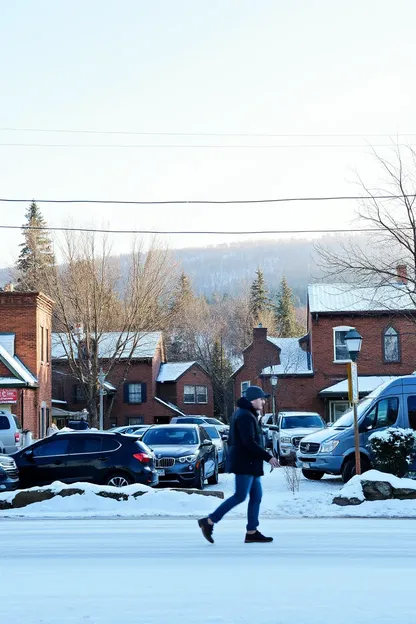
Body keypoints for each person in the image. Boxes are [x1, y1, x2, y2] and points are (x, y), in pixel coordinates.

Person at [198, 385, 279, 544]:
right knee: (240, 496)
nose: (263, 402)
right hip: (245, 463)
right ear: (253, 399)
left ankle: (252, 531)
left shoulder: (248, 414)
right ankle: (208, 521)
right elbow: (248, 442)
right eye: (261, 399)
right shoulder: (244, 416)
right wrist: (268, 457)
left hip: (250, 463)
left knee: (256, 496)